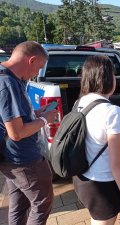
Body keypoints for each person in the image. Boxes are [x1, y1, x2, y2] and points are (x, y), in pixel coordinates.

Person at [0, 41, 57, 225]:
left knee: (19, 204)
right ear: (31, 60)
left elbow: (12, 118)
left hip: (10, 158)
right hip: (22, 158)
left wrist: (37, 113)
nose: (36, 74)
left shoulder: (7, 77)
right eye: (38, 68)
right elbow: (16, 132)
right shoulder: (8, 83)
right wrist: (45, 120)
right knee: (42, 203)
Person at [72, 55, 120, 225]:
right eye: (113, 75)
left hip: (81, 178)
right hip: (102, 185)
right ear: (106, 78)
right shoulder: (112, 111)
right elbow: (118, 164)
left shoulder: (80, 102)